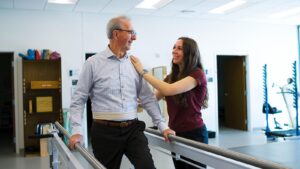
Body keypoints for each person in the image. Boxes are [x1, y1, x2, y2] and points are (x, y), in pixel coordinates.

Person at [68, 15, 175, 169]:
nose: (135, 37)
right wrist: (77, 130)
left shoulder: (135, 64)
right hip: (104, 133)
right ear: (116, 34)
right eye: (131, 32)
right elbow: (79, 99)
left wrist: (162, 125)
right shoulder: (93, 63)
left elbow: (147, 98)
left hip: (133, 130)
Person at [130, 37, 208, 169]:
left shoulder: (197, 74)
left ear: (189, 53)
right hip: (175, 133)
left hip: (194, 134)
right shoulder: (171, 77)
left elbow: (168, 90)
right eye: (174, 47)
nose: (174, 51)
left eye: (179, 48)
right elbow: (153, 98)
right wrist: (134, 102)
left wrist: (143, 72)